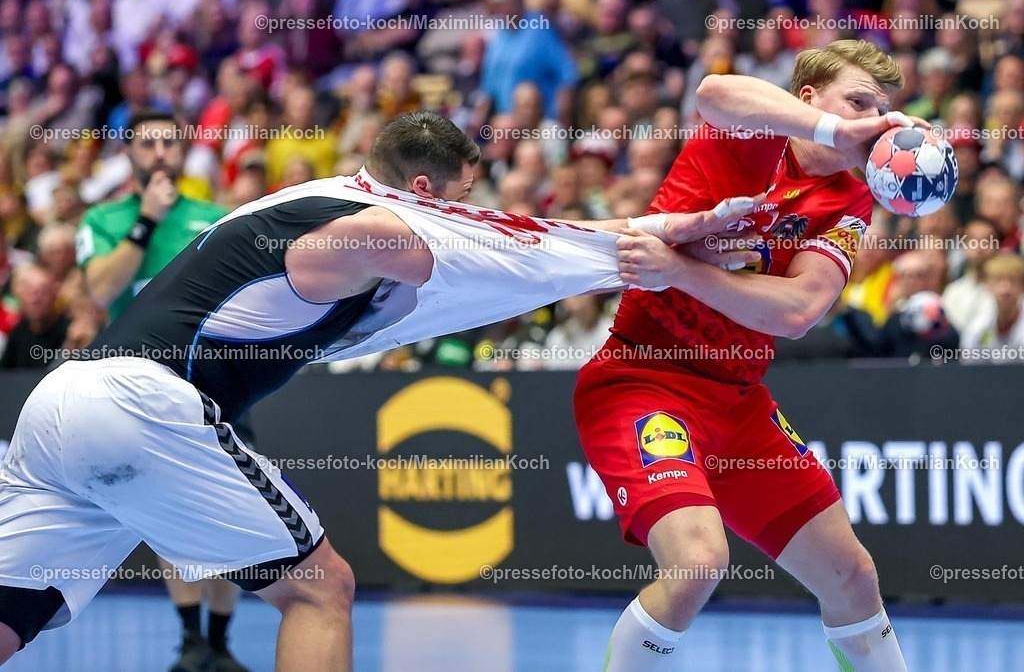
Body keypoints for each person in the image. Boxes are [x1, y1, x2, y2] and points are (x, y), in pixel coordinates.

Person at [0, 110, 754, 671]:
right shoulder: (373, 229)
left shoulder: (309, 200)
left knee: (15, 606)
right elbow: (512, 252)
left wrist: (654, 236)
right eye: (462, 194)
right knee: (321, 588)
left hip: (57, 406)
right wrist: (658, 244)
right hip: (140, 403)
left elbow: (506, 239)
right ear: (424, 188)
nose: (471, 208)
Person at [577, 40, 918, 671]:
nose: (872, 120)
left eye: (883, 109)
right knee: (698, 562)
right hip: (642, 379)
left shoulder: (850, 194)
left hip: (736, 401)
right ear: (809, 100)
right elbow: (711, 90)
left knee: (851, 575)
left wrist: (676, 270)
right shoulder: (754, 134)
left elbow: (795, 311)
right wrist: (841, 130)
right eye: (859, 102)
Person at [74, 110, 247, 672]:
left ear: (182, 151)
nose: (159, 154)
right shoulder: (104, 219)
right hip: (140, 391)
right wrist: (145, 221)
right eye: (147, 144)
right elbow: (102, 289)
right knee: (169, 516)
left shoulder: (214, 219)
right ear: (129, 153)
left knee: (231, 516)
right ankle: (190, 641)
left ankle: (219, 644)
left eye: (168, 143)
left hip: (218, 386)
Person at [960, 254, 1024, 363]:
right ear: (987, 285)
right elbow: (968, 373)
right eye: (998, 281)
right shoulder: (977, 329)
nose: (1005, 290)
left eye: (1013, 281)